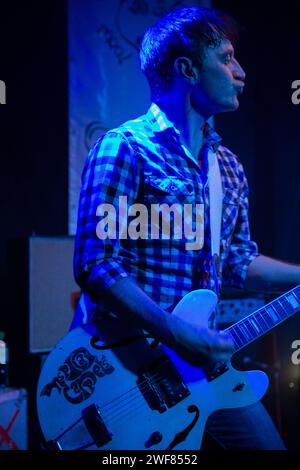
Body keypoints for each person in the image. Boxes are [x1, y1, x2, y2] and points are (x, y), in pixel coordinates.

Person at [72, 6, 300, 449]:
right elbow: (95, 264)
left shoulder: (228, 168)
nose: (241, 72)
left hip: (201, 370)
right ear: (187, 68)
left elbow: (237, 262)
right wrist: (175, 331)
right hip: (127, 367)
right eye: (227, 58)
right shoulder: (124, 148)